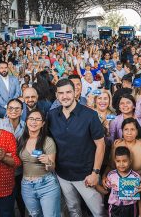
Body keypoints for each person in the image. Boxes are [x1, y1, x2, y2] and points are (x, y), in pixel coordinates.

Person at [47, 79, 106, 216]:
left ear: (75, 93)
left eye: (68, 92)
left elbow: (100, 145)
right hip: (63, 175)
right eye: (61, 93)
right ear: (56, 95)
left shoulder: (90, 115)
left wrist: (95, 173)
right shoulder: (52, 115)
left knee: (98, 212)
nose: (65, 96)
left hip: (86, 175)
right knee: (73, 210)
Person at [104, 117, 141, 216]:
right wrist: (104, 176)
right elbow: (111, 165)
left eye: (132, 129)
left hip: (138, 186)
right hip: (119, 187)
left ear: (137, 131)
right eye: (126, 129)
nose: (129, 132)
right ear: (122, 131)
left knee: (139, 213)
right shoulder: (117, 144)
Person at [18, 109, 61, 217]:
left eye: (38, 119)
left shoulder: (48, 141)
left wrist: (48, 162)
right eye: (31, 119)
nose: (34, 122)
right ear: (26, 121)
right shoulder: (21, 139)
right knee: (35, 215)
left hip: (47, 185)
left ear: (43, 123)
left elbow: (52, 168)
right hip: (26, 186)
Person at [101, 146, 141, 217]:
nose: (121, 164)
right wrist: (95, 185)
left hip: (130, 208)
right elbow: (106, 191)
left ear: (130, 161)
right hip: (114, 208)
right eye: (118, 161)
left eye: (125, 161)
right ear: (115, 161)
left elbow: (139, 197)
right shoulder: (111, 175)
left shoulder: (135, 177)